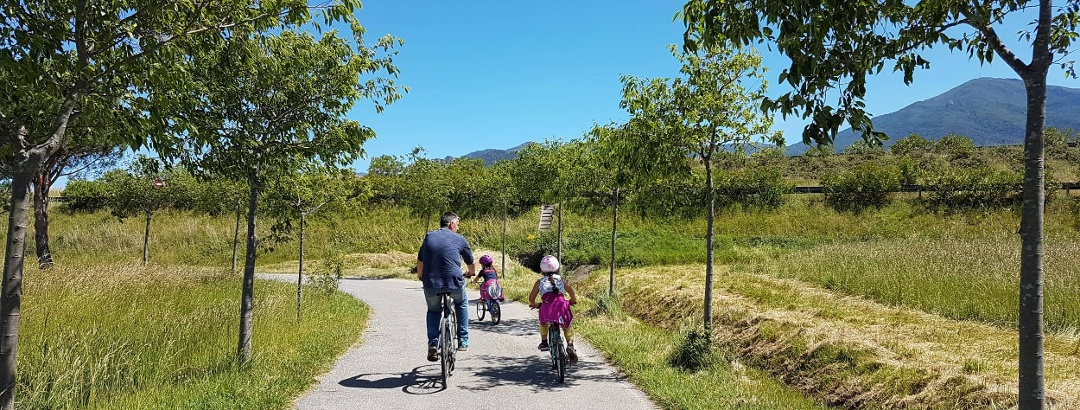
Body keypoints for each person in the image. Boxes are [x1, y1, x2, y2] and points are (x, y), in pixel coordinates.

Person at [417, 211, 475, 361]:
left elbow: (420, 261)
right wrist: (470, 273)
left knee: (433, 311)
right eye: (457, 225)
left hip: (431, 283)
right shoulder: (459, 239)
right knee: (461, 302)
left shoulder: (429, 236)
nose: (458, 228)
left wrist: (420, 276)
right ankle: (463, 339)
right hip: (454, 282)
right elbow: (471, 263)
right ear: (451, 223)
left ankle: (433, 344)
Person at [528, 254, 578, 364]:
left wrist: (535, 304)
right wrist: (573, 300)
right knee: (567, 325)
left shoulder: (539, 282)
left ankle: (544, 341)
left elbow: (531, 298)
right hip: (561, 306)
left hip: (546, 307)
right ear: (557, 267)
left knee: (543, 321)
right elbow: (571, 292)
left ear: (542, 269)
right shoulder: (562, 280)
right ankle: (570, 344)